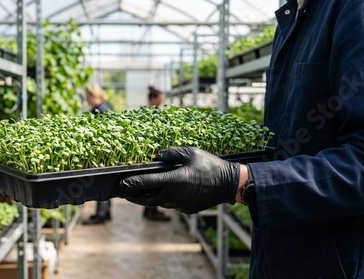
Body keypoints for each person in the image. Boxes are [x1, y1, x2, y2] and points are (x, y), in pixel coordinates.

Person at [119, 1, 364, 278]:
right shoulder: (291, 19)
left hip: (332, 264)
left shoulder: (352, 9)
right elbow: (285, 142)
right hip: (271, 253)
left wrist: (238, 181)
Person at [83, 84, 112, 225]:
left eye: (86, 96)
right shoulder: (101, 108)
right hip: (105, 152)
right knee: (105, 183)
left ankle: (100, 215)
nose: (85, 99)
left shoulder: (101, 110)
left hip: (103, 153)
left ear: (92, 96)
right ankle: (106, 213)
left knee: (101, 183)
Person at [142, 86, 171, 221]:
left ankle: (151, 209)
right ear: (152, 99)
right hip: (152, 154)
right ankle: (151, 210)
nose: (161, 102)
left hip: (154, 153)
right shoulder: (150, 113)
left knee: (153, 183)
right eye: (159, 99)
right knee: (153, 183)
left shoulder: (154, 112)